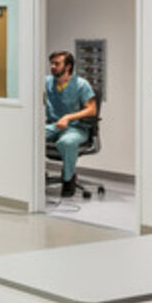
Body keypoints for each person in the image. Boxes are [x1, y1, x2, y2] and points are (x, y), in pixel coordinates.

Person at [45, 51, 97, 197]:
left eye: (57, 63)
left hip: (76, 128)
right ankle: (32, 175)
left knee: (66, 142)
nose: (52, 66)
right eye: (51, 63)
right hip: (53, 126)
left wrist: (68, 117)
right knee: (29, 136)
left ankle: (69, 178)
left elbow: (92, 110)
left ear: (68, 66)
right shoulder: (46, 82)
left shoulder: (81, 84)